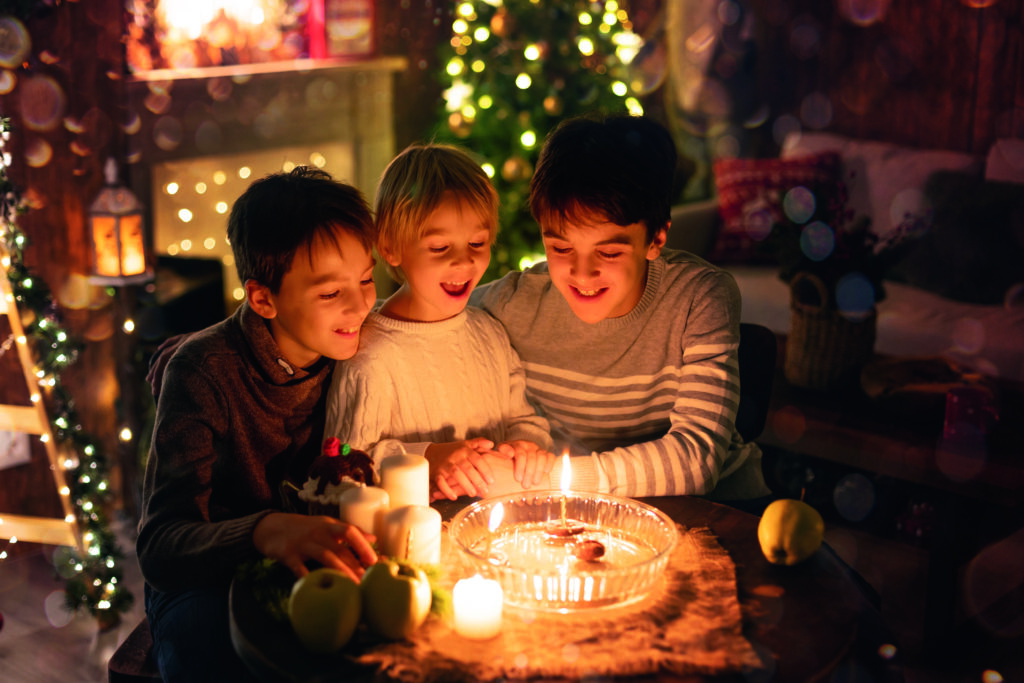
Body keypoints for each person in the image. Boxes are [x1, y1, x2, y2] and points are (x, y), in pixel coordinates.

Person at [136, 167, 379, 682]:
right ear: (263, 297)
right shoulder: (204, 370)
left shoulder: (359, 350)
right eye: (331, 292)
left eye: (366, 280)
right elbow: (161, 547)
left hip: (316, 569)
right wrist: (265, 531)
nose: (360, 306)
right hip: (206, 585)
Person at [470, 113, 771, 507]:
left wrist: (551, 478)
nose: (582, 273)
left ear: (656, 238)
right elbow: (411, 316)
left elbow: (697, 459)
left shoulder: (700, 297)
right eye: (561, 248)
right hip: (586, 515)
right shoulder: (514, 302)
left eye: (609, 251)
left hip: (720, 510)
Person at [323, 143, 555, 500]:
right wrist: (429, 455)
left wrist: (526, 446)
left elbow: (523, 418)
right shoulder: (371, 354)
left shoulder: (491, 333)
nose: (464, 262)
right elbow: (345, 462)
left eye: (477, 242)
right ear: (390, 247)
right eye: (440, 247)